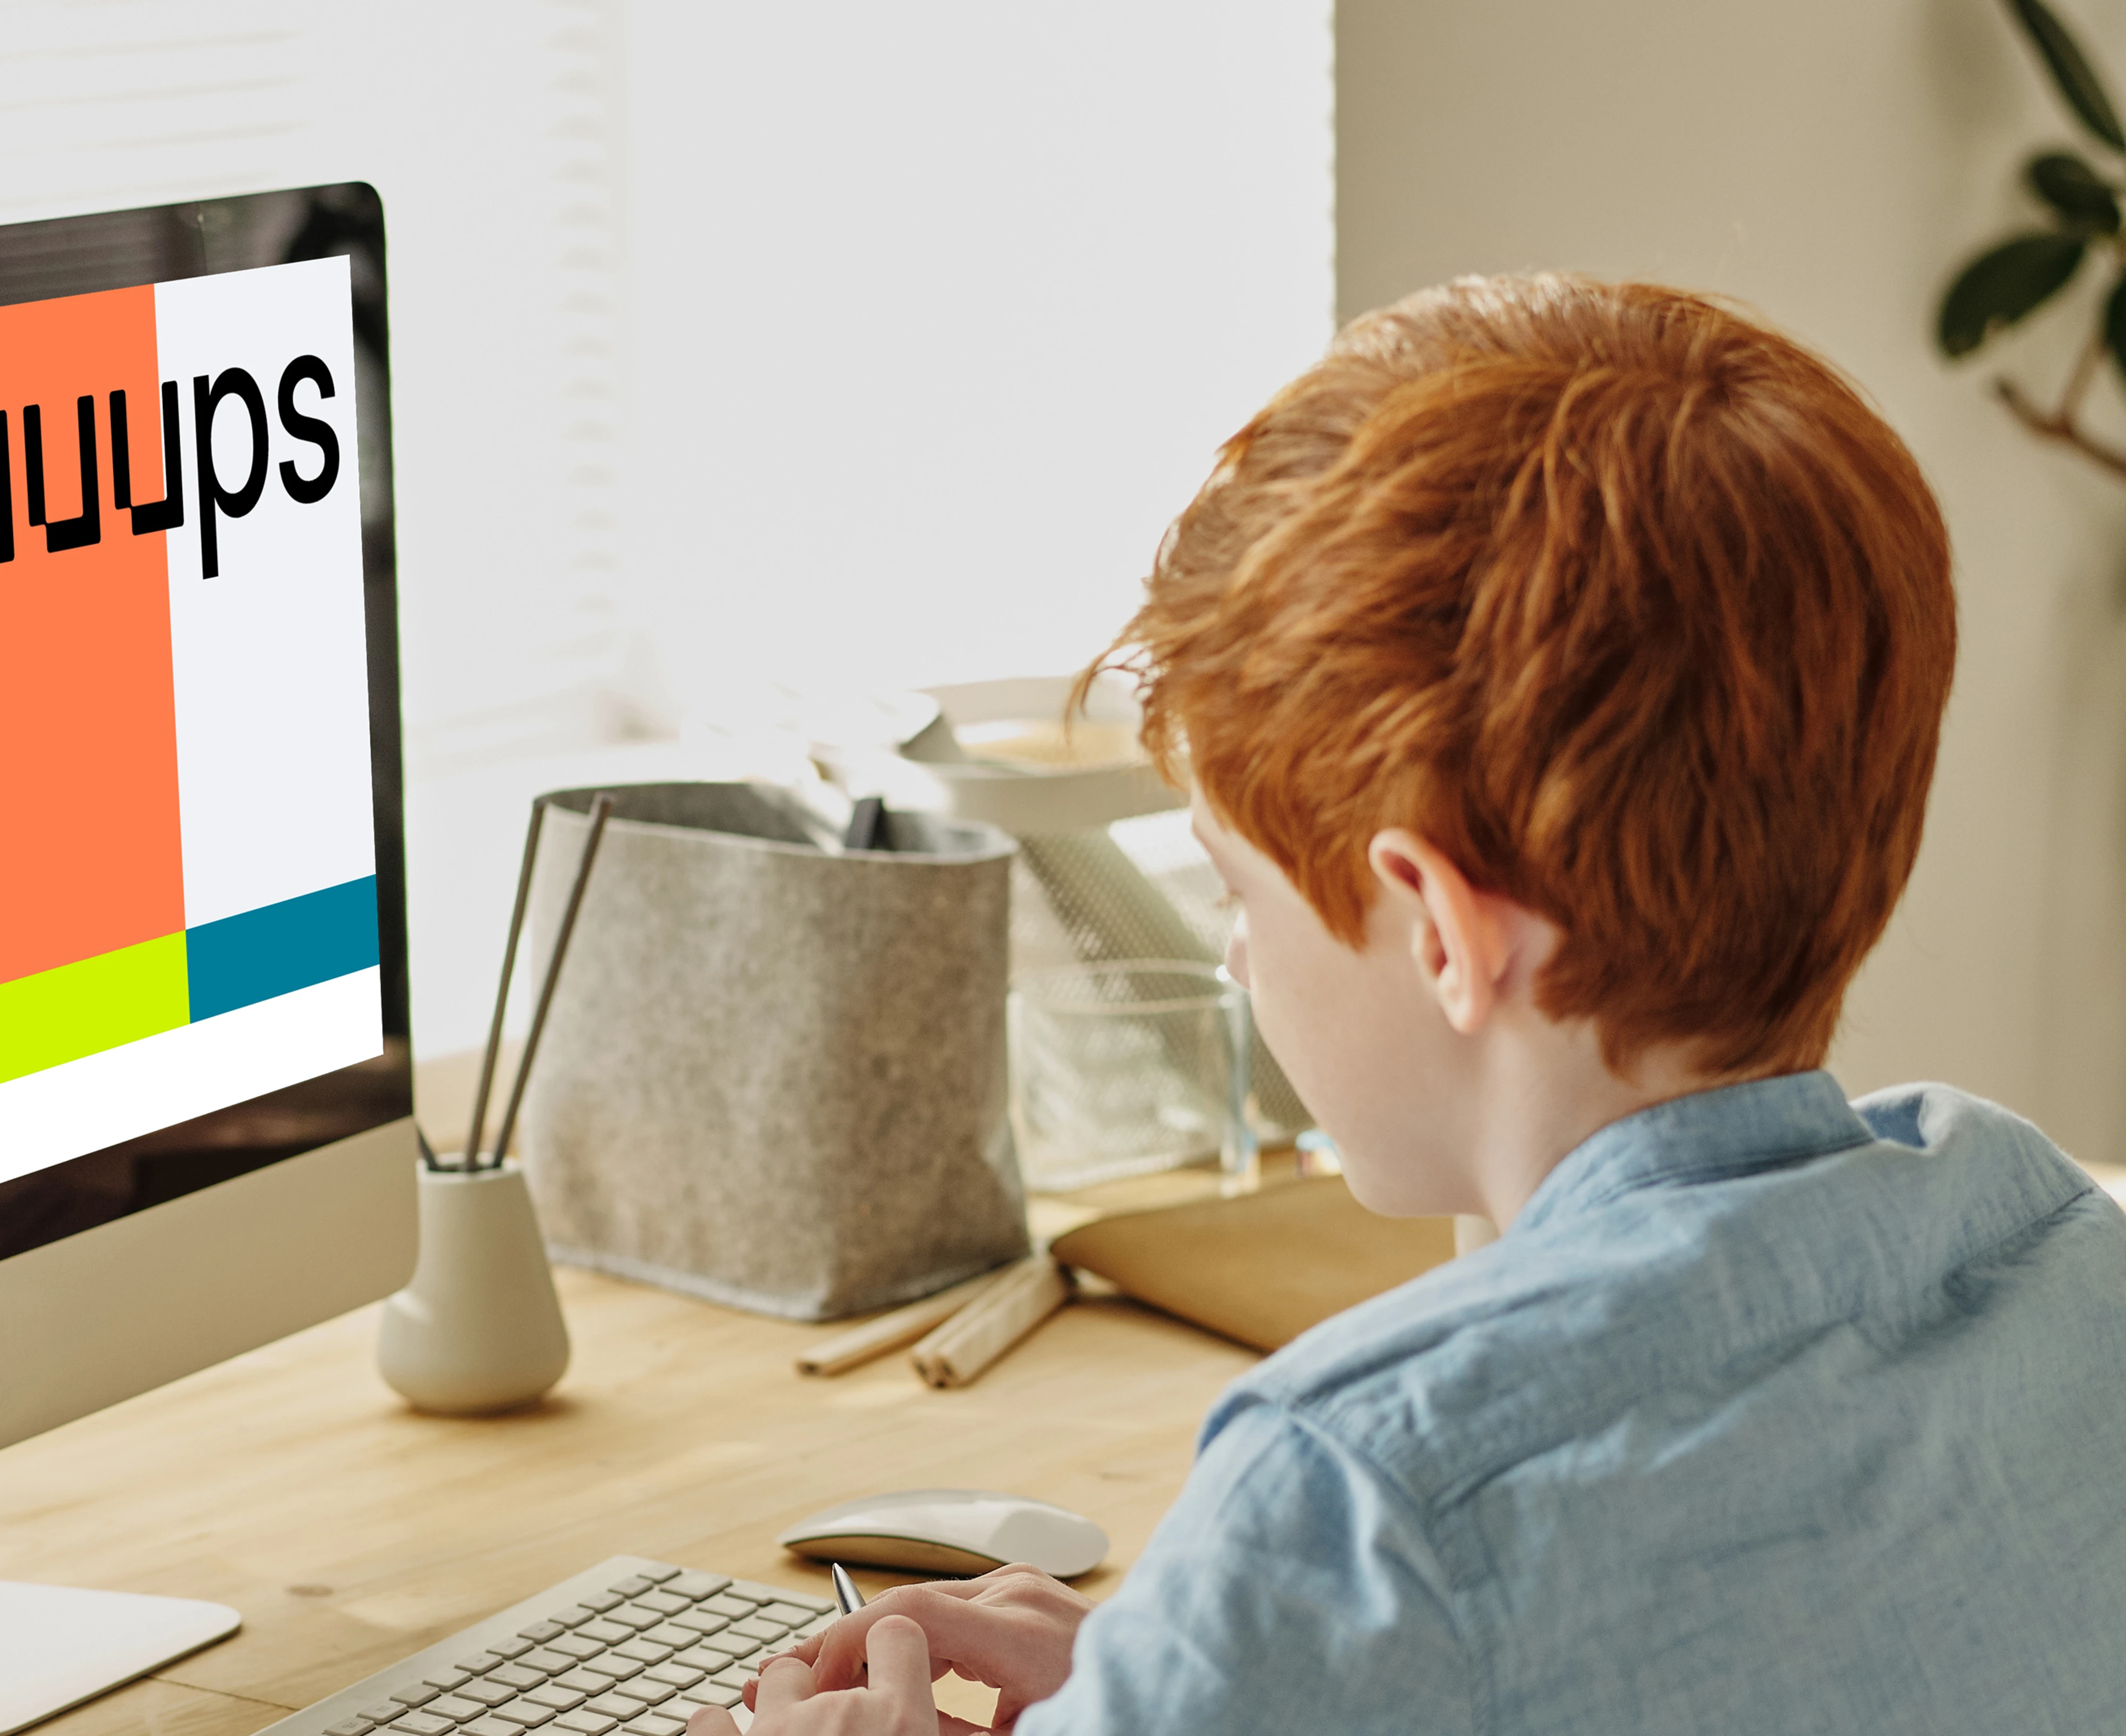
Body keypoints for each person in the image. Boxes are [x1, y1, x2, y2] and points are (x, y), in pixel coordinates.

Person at [692, 274, 2126, 1734]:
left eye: (1240, 895)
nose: (1243, 961)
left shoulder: (1365, 1492)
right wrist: (1174, 1673)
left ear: (1441, 927)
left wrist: (1253, 1629)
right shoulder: (2056, 1249)